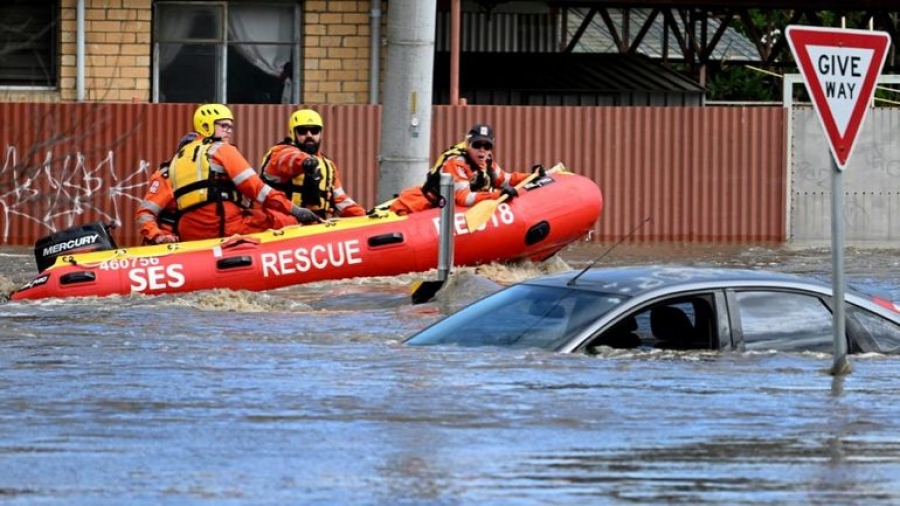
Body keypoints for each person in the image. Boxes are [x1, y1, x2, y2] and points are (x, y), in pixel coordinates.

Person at [163, 103, 320, 242]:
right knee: (282, 220)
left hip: (188, 228)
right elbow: (257, 189)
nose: (229, 131)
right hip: (220, 223)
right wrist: (295, 210)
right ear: (205, 126)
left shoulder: (178, 159)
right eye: (224, 126)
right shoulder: (222, 149)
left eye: (230, 127)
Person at [389, 124, 542, 215]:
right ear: (468, 144)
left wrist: (534, 175)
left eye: (487, 146)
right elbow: (465, 198)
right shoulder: (456, 163)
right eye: (477, 145)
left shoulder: (486, 162)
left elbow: (504, 179)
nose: (482, 150)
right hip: (421, 207)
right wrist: (497, 195)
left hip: (445, 209)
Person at [259, 109, 366, 219]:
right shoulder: (279, 153)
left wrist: (364, 215)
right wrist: (305, 162)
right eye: (302, 131)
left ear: (320, 133)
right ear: (292, 132)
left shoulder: (328, 165)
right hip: (281, 226)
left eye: (314, 131)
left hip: (316, 227)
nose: (309, 135)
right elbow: (288, 159)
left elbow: (341, 200)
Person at [135, 132, 198, 245]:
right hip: (169, 246)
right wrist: (158, 236)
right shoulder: (166, 177)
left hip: (197, 243)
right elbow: (144, 214)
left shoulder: (207, 177)